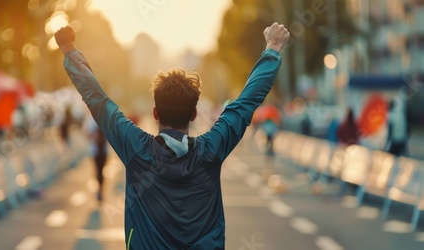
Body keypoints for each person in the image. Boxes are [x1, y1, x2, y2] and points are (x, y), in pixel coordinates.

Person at [56, 22, 289, 249]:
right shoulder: (211, 150)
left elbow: (98, 100)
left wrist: (70, 51)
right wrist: (273, 49)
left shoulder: (137, 150)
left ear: (155, 113)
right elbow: (246, 103)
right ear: (194, 114)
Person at [84, 116, 108, 201]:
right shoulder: (92, 120)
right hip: (96, 150)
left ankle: (100, 189)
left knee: (100, 170)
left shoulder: (102, 119)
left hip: (102, 150)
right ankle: (100, 189)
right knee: (99, 170)